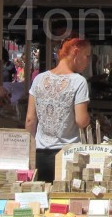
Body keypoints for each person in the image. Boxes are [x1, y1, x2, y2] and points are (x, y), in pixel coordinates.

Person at [25, 36, 92, 183]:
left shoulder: (39, 79)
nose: (88, 61)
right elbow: (81, 121)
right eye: (86, 56)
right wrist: (89, 118)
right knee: (65, 202)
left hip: (40, 154)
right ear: (76, 52)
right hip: (68, 155)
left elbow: (30, 120)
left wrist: (29, 151)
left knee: (42, 200)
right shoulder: (78, 81)